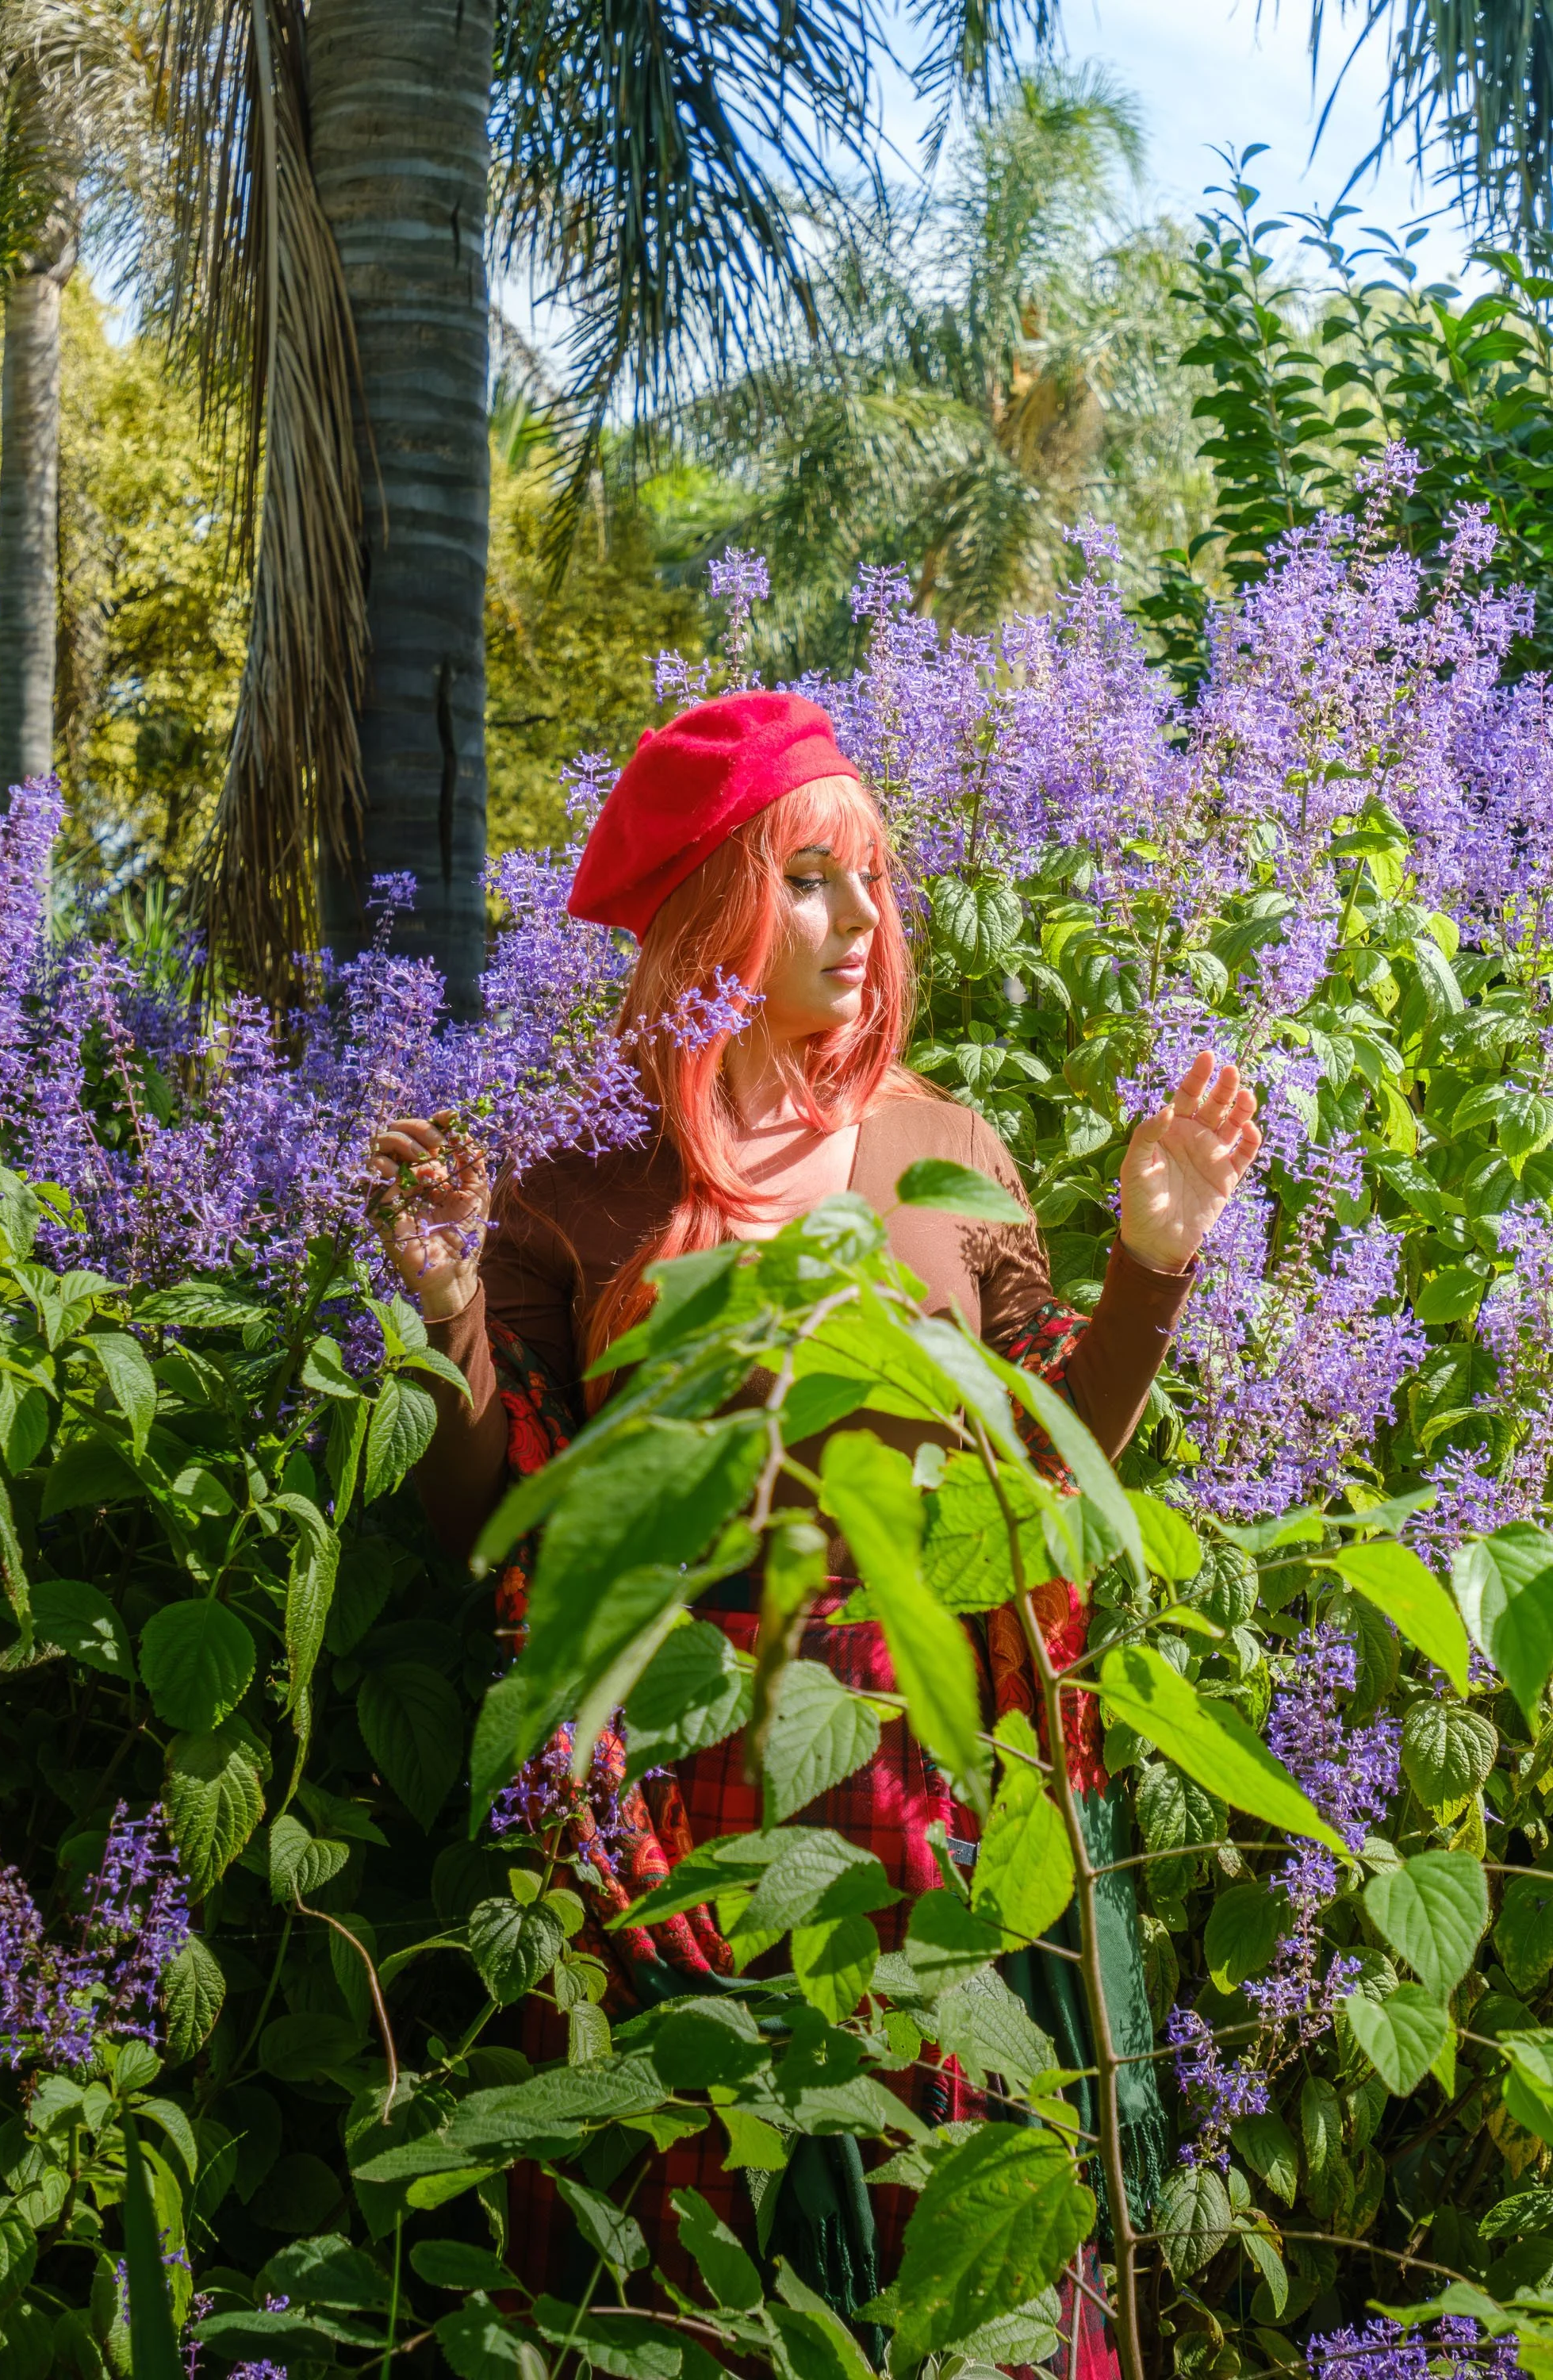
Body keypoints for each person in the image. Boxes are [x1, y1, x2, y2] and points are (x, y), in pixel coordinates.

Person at [370, 689, 1262, 2374]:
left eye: (869, 879)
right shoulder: (583, 1202)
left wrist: (1154, 1260)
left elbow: (1047, 1481)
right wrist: (442, 1318)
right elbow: (498, 1526)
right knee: (707, 2266)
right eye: (806, 882)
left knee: (964, 2263)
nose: (859, 925)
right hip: (677, 1811)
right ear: (713, 913)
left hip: (929, 1780)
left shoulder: (945, 1154)